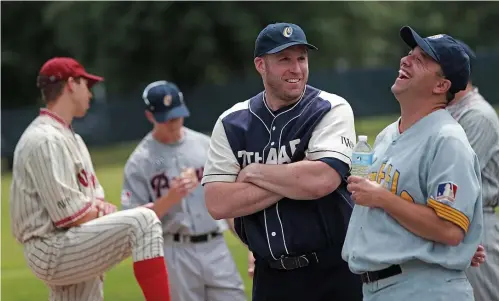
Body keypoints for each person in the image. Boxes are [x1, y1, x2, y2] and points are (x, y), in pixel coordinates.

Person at [201, 22, 363, 301]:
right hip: (271, 277)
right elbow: (217, 203)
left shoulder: (330, 108)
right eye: (284, 60)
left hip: (335, 270)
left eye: (301, 58)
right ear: (260, 65)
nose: (296, 69)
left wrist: (253, 172)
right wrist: (297, 172)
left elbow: (322, 180)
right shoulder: (232, 123)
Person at [9, 57, 184, 301]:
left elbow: (92, 205)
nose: (90, 93)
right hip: (50, 247)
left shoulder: (70, 138)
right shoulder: (45, 138)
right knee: (143, 222)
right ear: (71, 84)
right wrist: (102, 212)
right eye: (86, 85)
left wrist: (100, 211)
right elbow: (71, 215)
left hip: (67, 242)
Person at [342, 26, 484, 301]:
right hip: (381, 288)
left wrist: (382, 198)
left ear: (441, 86)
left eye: (420, 60)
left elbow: (450, 230)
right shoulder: (387, 135)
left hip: (422, 288)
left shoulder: (447, 140)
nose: (405, 60)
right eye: (409, 54)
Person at [121, 80, 246, 301]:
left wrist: (250, 245)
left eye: (177, 115)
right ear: (150, 116)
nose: (173, 122)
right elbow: (133, 221)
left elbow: (228, 202)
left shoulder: (206, 145)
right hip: (175, 251)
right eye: (166, 118)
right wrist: (169, 198)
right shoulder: (139, 161)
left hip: (216, 247)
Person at [447, 40, 499, 301]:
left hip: (478, 223)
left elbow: (453, 176)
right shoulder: (447, 111)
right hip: (452, 219)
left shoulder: (477, 114)